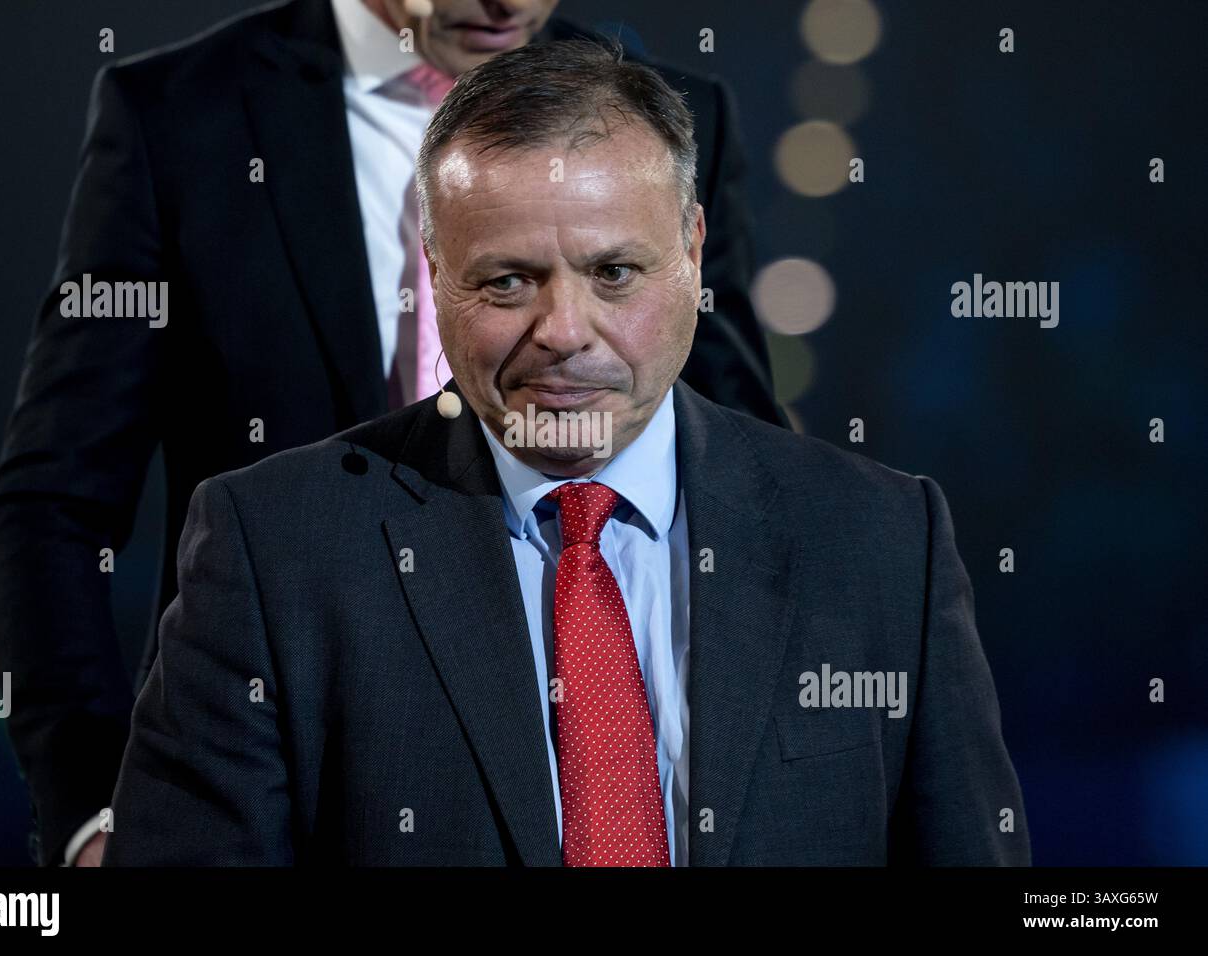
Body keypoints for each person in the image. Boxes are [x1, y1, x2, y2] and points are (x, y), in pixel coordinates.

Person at [103, 39, 1030, 866]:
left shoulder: (880, 541)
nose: (563, 331)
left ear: (695, 251)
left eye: (614, 273)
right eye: (508, 281)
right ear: (435, 273)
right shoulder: (274, 551)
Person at [0, 0, 784, 867]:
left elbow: (748, 473)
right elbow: (51, 507)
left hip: (605, 733)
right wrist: (97, 813)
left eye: (613, 271)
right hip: (267, 767)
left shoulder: (668, 120)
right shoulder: (180, 116)